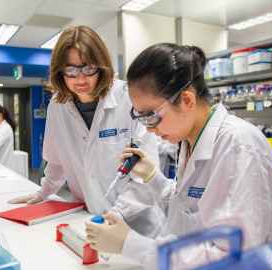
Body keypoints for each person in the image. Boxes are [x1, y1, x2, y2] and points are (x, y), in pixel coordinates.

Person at [85, 43, 272, 269]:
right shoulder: (190, 139)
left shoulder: (238, 146)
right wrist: (153, 178)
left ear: (187, 100)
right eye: (140, 116)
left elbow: (235, 256)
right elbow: (188, 212)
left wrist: (131, 244)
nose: (148, 129)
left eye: (151, 116)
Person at [9, 25, 163, 237]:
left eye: (88, 68)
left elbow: (146, 172)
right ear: (59, 72)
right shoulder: (58, 104)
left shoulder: (129, 98)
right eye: (71, 70)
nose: (80, 79)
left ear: (102, 66)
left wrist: (117, 213)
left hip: (136, 224)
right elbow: (57, 160)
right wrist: (44, 192)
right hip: (89, 217)